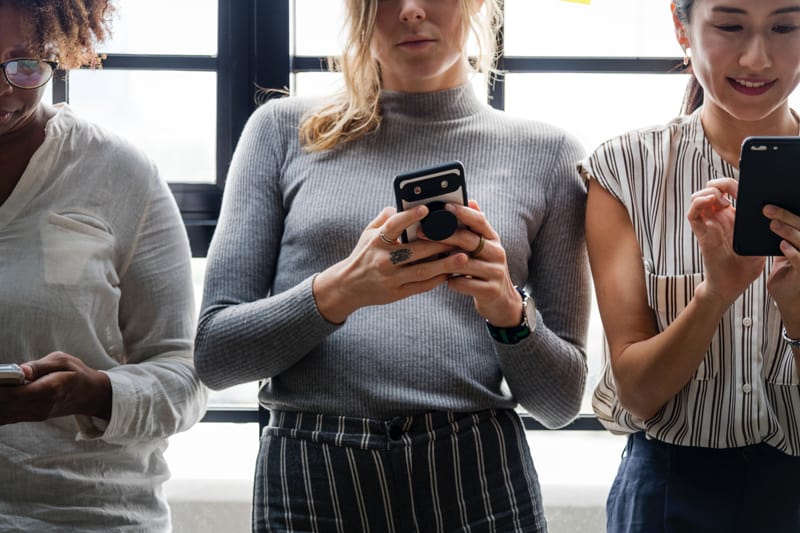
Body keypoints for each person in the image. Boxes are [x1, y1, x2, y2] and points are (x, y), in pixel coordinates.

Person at [195, 0, 590, 530]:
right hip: (312, 471)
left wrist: (507, 309)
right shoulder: (281, 131)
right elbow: (215, 356)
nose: (410, 10)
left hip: (476, 472)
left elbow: (560, 403)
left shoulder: (549, 154)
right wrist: (341, 290)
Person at [579, 1, 800, 531]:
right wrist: (714, 294)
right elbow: (636, 393)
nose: (757, 58)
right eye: (730, 25)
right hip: (667, 489)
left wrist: (797, 314)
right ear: (682, 28)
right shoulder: (625, 168)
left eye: (785, 26)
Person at [0, 1, 208, 530]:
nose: (2, 87)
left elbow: (187, 377)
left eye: (23, 64)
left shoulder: (119, 173)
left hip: (87, 516)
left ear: (55, 52)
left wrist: (93, 392)